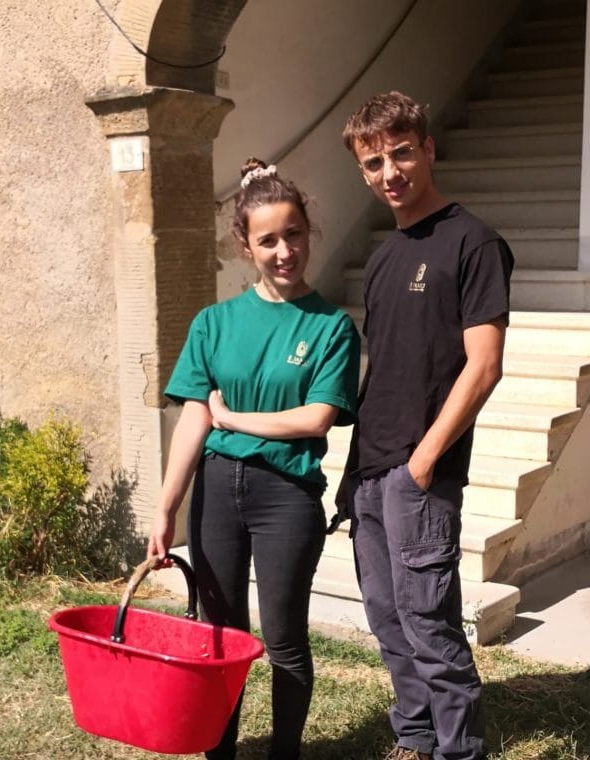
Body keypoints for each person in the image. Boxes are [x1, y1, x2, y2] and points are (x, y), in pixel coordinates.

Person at [147, 158, 361, 760]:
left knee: (285, 640)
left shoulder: (332, 328)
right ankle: (221, 754)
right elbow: (195, 417)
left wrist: (234, 418)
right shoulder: (213, 323)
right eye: (268, 240)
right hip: (216, 491)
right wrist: (166, 508)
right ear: (246, 246)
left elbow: (315, 418)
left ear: (308, 233)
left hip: (286, 496)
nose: (284, 251)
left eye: (294, 234)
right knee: (221, 637)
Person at [339, 91, 514, 760]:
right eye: (374, 162)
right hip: (371, 469)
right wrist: (354, 475)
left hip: (421, 472)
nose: (390, 172)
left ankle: (459, 750)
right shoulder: (384, 258)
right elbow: (383, 372)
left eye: (402, 153)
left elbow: (484, 365)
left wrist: (423, 461)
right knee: (388, 622)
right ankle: (415, 737)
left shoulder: (473, 242)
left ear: (428, 148)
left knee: (430, 628)